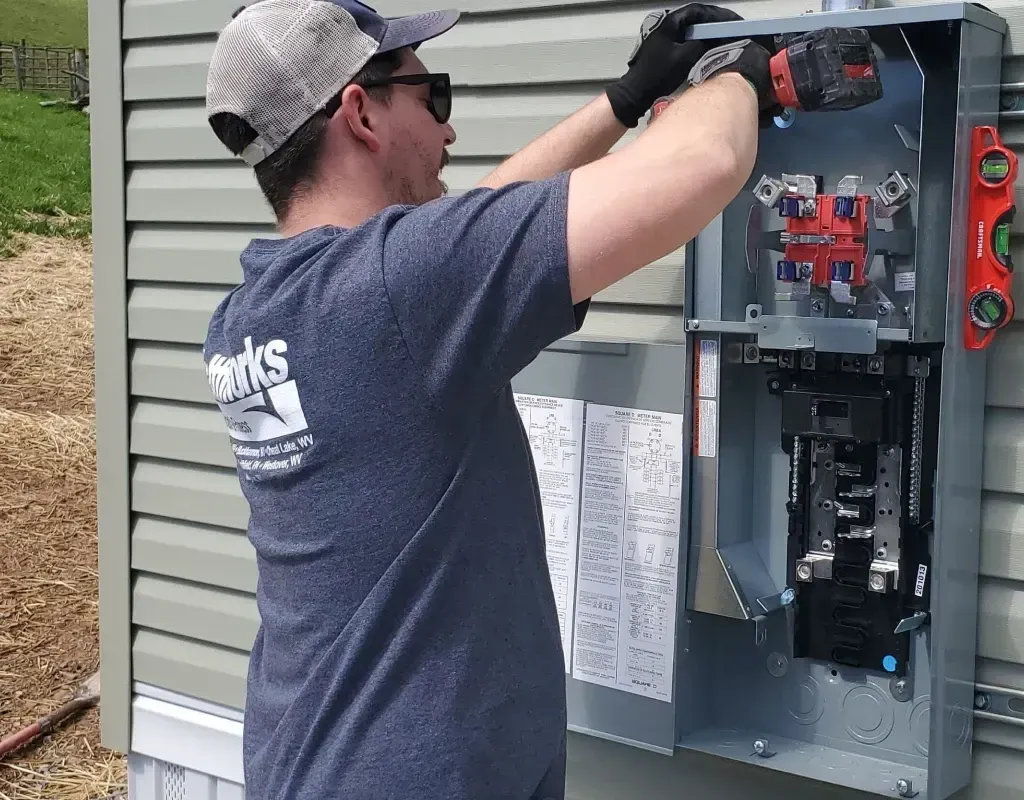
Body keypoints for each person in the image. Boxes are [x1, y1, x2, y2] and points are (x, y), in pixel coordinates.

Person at [199, 0, 779, 797]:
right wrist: (740, 77)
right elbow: (703, 164)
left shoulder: (256, 313)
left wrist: (626, 100)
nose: (448, 132)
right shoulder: (394, 290)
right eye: (431, 94)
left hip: (313, 760)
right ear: (361, 113)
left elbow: (473, 234)